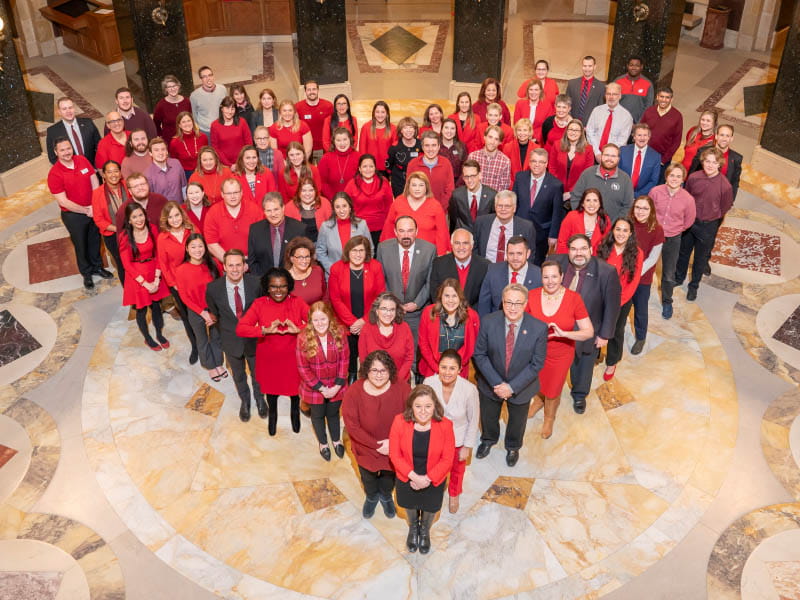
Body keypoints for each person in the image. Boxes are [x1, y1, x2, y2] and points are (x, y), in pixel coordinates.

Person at [473, 283, 547, 466]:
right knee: (488, 415)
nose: (513, 308)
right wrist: (497, 383)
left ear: (525, 304)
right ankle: (488, 439)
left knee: (517, 420)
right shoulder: (488, 322)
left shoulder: (538, 328)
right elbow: (480, 354)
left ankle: (513, 446)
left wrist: (512, 387)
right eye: (508, 302)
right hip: (491, 383)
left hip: (521, 387)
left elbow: (536, 364)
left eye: (518, 303)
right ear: (502, 302)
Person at [551, 234, 621, 414]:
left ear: (591, 250)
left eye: (583, 248)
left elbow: (612, 306)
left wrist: (604, 334)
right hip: (556, 328)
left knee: (583, 366)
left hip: (587, 330)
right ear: (568, 251)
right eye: (574, 249)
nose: (578, 253)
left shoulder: (606, 272)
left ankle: (579, 395)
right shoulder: (554, 263)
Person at [236, 267, 309, 435]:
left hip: (293, 359)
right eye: (274, 286)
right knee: (272, 395)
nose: (278, 290)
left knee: (294, 394)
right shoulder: (259, 304)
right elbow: (241, 329)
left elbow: (317, 323)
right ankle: (273, 418)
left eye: (283, 286)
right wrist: (264, 330)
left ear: (289, 286)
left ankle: (295, 416)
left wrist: (299, 328)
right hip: (269, 360)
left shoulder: (297, 302)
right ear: (267, 288)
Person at [525, 260, 593, 438]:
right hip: (536, 353)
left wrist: (565, 334)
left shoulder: (573, 298)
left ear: (562, 276)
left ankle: (549, 417)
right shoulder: (531, 295)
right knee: (537, 381)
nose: (550, 281)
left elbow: (588, 332)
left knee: (553, 389)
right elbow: (523, 323)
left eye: (554, 276)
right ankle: (539, 400)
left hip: (560, 354)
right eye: (546, 277)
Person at [341, 350, 409, 519]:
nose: (379, 375)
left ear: (390, 370)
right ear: (367, 370)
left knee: (388, 477)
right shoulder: (354, 392)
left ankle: (385, 496)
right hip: (365, 448)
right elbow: (352, 426)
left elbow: (410, 418)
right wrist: (377, 445)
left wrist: (393, 443)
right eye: (374, 370)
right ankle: (371, 497)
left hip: (393, 447)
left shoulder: (402, 388)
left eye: (383, 370)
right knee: (368, 478)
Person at [389, 384, 455, 553]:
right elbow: (395, 455)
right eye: (418, 406)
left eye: (428, 406)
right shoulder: (399, 421)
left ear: (435, 406)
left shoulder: (446, 425)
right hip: (407, 477)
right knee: (409, 505)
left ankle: (424, 530)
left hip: (433, 479)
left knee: (430, 507)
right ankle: (413, 528)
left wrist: (427, 479)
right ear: (411, 406)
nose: (423, 411)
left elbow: (447, 459)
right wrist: (414, 477)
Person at [206, 249, 264, 422]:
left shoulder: (256, 283)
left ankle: (260, 399)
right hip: (231, 340)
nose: (235, 269)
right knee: (238, 375)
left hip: (254, 339)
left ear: (244, 266)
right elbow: (215, 314)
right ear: (224, 267)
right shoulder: (213, 288)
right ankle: (245, 401)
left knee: (258, 374)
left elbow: (262, 308)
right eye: (230, 265)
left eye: (238, 265)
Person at [48, 138, 109, 290]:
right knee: (81, 244)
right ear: (56, 152)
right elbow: (63, 201)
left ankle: (97, 267)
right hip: (73, 216)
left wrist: (94, 204)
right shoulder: (54, 174)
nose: (66, 152)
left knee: (95, 239)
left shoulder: (82, 160)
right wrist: (86, 210)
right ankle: (86, 273)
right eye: (62, 150)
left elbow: (94, 181)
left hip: (92, 208)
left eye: (68, 148)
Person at [423, 351, 479, 513]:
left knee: (457, 470)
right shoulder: (429, 383)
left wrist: (467, 446)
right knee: (433, 466)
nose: (447, 372)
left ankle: (454, 494)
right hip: (434, 437)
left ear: (460, 369)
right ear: (438, 367)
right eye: (444, 367)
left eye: (452, 368)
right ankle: (435, 489)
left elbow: (473, 419)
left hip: (458, 439)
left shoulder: (469, 390)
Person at [675, 147, 734, 302]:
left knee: (700, 259)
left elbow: (725, 207)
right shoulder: (694, 177)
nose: (710, 165)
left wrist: (711, 215)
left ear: (719, 164)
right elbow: (687, 197)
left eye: (714, 162)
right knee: (683, 253)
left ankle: (693, 286)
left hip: (708, 226)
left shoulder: (725, 186)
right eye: (707, 161)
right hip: (690, 222)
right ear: (702, 162)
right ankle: (679, 278)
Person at [296, 301, 349, 460]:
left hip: (336, 385)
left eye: (323, 319)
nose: (320, 323)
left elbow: (345, 360)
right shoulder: (303, 338)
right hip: (315, 388)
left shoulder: (340, 332)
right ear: (310, 320)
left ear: (329, 318)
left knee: (333, 414)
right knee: (318, 416)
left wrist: (337, 386)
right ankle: (323, 443)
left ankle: (336, 440)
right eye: (316, 320)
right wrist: (321, 388)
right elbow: (303, 368)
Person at [328, 235, 385, 381]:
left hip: (370, 321)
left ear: (367, 252)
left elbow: (379, 297)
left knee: (370, 356)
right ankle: (351, 377)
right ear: (348, 251)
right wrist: (353, 322)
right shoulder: (337, 268)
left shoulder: (375, 267)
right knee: (349, 356)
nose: (358, 254)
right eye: (354, 250)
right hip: (345, 324)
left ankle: (369, 379)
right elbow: (335, 299)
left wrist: (364, 321)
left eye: (361, 250)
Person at [376, 216, 436, 353]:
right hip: (390, 311)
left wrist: (417, 303)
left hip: (417, 312)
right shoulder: (383, 248)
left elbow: (430, 281)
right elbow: (380, 279)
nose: (406, 235)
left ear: (417, 231)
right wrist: (392, 302)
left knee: (413, 352)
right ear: (395, 232)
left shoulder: (429, 250)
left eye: (410, 231)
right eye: (401, 231)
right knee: (390, 351)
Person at [174, 233, 227, 380]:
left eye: (200, 246)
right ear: (187, 248)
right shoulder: (181, 270)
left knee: (216, 337)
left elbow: (220, 287)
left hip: (214, 308)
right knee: (202, 339)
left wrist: (215, 311)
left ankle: (218, 363)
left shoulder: (214, 263)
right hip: (195, 311)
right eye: (193, 247)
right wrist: (202, 313)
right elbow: (184, 296)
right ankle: (210, 366)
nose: (197, 250)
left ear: (205, 247)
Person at [118, 203, 171, 349]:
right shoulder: (125, 236)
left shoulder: (152, 229)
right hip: (136, 276)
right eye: (134, 217)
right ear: (129, 220)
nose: (139, 219)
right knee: (141, 310)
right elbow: (127, 264)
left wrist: (156, 279)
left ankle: (159, 333)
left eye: (141, 215)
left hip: (153, 271)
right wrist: (145, 283)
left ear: (145, 215)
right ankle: (147, 338)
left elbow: (159, 254)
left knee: (157, 306)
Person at [596, 218, 643, 381]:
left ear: (630, 233)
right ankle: (595, 354)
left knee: (616, 331)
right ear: (613, 230)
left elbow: (634, 281)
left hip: (621, 300)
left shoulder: (637, 253)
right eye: (618, 229)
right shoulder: (603, 246)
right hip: (600, 296)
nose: (621, 233)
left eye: (625, 230)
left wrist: (617, 303)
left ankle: (612, 362)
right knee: (597, 326)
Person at [650, 163, 695, 319]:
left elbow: (689, 221)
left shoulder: (688, 199)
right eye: (672, 175)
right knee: (645, 267)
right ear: (666, 176)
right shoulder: (655, 192)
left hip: (673, 238)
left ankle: (667, 301)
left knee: (669, 273)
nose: (674, 179)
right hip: (653, 234)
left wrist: (675, 229)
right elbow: (648, 211)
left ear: (683, 179)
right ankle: (638, 295)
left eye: (678, 176)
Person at [156, 201, 198, 362]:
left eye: (177, 215)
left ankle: (208, 342)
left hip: (198, 280)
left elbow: (203, 251)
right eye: (170, 217)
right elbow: (163, 264)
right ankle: (195, 346)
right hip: (178, 285)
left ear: (182, 215)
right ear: (166, 220)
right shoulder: (163, 238)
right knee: (187, 316)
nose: (174, 219)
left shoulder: (192, 230)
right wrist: (173, 285)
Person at [418, 278, 480, 378]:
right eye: (446, 296)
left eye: (454, 296)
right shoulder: (429, 312)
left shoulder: (472, 316)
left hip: (459, 370)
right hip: (432, 369)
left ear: (460, 297)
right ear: (440, 297)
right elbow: (423, 344)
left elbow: (471, 347)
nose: (450, 300)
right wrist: (439, 369)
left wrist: (454, 368)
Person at [513, 148, 564, 265]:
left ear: (546, 164)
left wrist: (553, 235)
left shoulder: (555, 185)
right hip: (519, 228)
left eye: (541, 162)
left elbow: (557, 213)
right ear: (529, 162)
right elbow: (514, 202)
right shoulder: (520, 177)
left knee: (535, 264)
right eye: (534, 161)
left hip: (541, 233)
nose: (537, 165)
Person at [380, 172, 450, 255]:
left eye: (421, 185)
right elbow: (388, 228)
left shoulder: (435, 205)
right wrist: (387, 251)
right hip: (402, 251)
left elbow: (442, 233)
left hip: (428, 253)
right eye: (414, 185)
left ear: (426, 187)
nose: (417, 189)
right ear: (408, 186)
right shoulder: (398, 202)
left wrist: (441, 255)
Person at [628, 196, 664, 353]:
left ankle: (641, 338)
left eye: (645, 208)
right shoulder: (627, 224)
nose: (640, 211)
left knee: (640, 310)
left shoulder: (657, 230)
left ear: (651, 211)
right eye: (637, 207)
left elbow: (653, 258)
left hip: (643, 278)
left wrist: (636, 273)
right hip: (625, 275)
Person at [478, 235, 543, 316]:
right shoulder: (493, 271)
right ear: (506, 254)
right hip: (497, 322)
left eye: (519, 254)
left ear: (528, 253)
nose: (515, 258)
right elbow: (484, 306)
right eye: (511, 254)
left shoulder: (539, 275)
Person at [246, 191, 308, 275]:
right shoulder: (255, 229)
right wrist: (262, 280)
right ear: (264, 212)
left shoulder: (299, 229)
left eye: (276, 209)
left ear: (283, 208)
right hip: (263, 280)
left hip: (291, 279)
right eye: (269, 211)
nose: (273, 214)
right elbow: (252, 261)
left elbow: (302, 260)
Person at [358, 292, 415, 383]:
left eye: (392, 310)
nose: (388, 313)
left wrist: (396, 381)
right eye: (384, 309)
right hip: (374, 382)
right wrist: (378, 381)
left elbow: (409, 358)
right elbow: (364, 360)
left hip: (400, 381)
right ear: (377, 311)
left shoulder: (404, 327)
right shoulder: (366, 329)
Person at [204, 177, 262, 265]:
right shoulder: (213, 213)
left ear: (241, 192)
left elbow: (261, 239)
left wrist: (249, 262)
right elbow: (212, 243)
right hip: (225, 263)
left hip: (251, 262)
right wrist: (231, 264)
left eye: (236, 192)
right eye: (228, 193)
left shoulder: (254, 210)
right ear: (222, 194)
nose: (233, 196)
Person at [570, 143, 634, 221]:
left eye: (613, 156)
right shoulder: (587, 174)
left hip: (613, 226)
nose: (609, 159)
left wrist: (614, 224)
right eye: (606, 155)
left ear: (618, 159)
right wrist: (583, 219)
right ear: (601, 156)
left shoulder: (625, 179)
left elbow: (628, 206)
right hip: (586, 224)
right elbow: (575, 198)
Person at [429, 228, 490, 308]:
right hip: (445, 311)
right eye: (457, 243)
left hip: (474, 312)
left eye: (465, 243)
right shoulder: (439, 264)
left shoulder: (485, 266)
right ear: (452, 245)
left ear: (472, 246)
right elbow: (435, 295)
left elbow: (485, 299)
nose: (461, 247)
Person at [343, 154, 393, 248]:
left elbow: (389, 206)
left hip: (380, 228)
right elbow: (345, 206)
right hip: (358, 228)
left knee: (378, 254)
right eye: (365, 166)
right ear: (359, 169)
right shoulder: (352, 184)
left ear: (375, 168)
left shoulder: (383, 182)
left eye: (371, 166)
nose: (368, 169)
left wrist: (388, 226)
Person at [316, 192, 372, 275]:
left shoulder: (362, 225)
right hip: (335, 274)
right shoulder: (326, 227)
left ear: (350, 207)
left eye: (344, 206)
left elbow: (370, 249)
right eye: (337, 207)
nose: (341, 210)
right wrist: (332, 269)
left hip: (358, 273)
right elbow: (320, 251)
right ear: (334, 209)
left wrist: (361, 267)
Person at [91, 160, 128, 284]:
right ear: (104, 175)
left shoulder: (128, 186)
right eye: (109, 172)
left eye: (116, 171)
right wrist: (118, 229)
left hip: (134, 231)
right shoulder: (97, 193)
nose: (113, 175)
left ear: (120, 173)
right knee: (122, 264)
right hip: (113, 236)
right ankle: (129, 291)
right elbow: (98, 220)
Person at [474, 190, 536, 262]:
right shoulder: (481, 222)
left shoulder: (526, 227)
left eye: (507, 206)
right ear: (495, 207)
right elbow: (474, 249)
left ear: (514, 208)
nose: (503, 209)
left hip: (513, 267)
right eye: (500, 206)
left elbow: (530, 255)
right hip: (486, 267)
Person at [688, 124, 743, 200]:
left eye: (727, 136)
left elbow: (734, 183)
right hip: (697, 196)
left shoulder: (736, 158)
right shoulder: (702, 151)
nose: (724, 139)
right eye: (722, 135)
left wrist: (730, 201)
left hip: (718, 200)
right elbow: (692, 173)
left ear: (731, 139)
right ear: (716, 136)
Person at [407, 131, 455, 214]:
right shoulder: (413, 164)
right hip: (418, 211)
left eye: (434, 145)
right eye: (427, 145)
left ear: (439, 146)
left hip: (441, 211)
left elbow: (450, 190)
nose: (430, 149)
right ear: (422, 147)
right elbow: (409, 189)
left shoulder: (446, 163)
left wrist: (440, 208)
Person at [548, 119, 595, 203]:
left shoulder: (588, 149)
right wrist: (558, 189)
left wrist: (572, 193)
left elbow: (587, 175)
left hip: (578, 193)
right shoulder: (557, 145)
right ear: (566, 131)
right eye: (571, 129)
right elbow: (552, 168)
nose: (573, 132)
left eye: (576, 130)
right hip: (557, 189)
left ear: (581, 133)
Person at [585, 83, 634, 161]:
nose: (611, 97)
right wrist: (597, 153)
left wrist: (607, 155)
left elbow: (622, 140)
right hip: (593, 154)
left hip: (612, 158)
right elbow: (589, 131)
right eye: (608, 94)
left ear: (620, 96)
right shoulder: (596, 111)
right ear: (605, 96)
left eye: (614, 94)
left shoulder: (626, 116)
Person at [641, 87, 683, 176]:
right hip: (645, 154)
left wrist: (663, 160)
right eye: (661, 96)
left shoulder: (677, 116)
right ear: (657, 97)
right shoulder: (649, 111)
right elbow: (640, 131)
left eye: (667, 97)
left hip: (662, 159)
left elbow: (676, 141)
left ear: (672, 99)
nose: (664, 100)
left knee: (658, 181)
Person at [46, 97, 101, 166]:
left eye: (70, 107)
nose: (68, 111)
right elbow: (53, 157)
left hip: (92, 166)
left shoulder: (88, 123)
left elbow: (99, 146)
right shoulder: (52, 131)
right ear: (59, 112)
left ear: (74, 109)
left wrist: (98, 165)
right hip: (71, 170)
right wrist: (68, 169)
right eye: (64, 109)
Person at [557, 188, 611, 254]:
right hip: (572, 257)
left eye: (595, 200)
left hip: (595, 258)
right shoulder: (572, 216)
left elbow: (606, 245)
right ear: (582, 203)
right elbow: (562, 242)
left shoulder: (605, 219)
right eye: (588, 200)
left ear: (600, 204)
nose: (592, 204)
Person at [449, 159, 497, 233]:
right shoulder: (456, 195)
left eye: (473, 176)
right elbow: (454, 220)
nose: (469, 180)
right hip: (464, 237)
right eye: (466, 177)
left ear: (480, 175)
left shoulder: (492, 195)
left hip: (484, 235)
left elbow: (493, 221)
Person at [283, 178, 332, 243]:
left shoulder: (325, 203)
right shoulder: (289, 207)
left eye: (311, 190)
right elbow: (286, 232)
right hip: (298, 245)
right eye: (304, 190)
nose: (307, 194)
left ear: (315, 191)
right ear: (298, 192)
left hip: (321, 244)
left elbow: (331, 228)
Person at [295, 81, 334, 161]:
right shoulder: (298, 107)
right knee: (307, 169)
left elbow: (333, 127)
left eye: (314, 89)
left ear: (318, 90)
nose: (311, 92)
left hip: (324, 147)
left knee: (323, 169)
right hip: (305, 147)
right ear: (305, 91)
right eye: (309, 90)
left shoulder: (328, 106)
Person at [619, 123, 661, 197]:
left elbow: (653, 181)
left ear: (649, 137)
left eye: (645, 135)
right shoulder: (623, 151)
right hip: (621, 192)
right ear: (634, 136)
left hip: (641, 196)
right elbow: (617, 172)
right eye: (639, 135)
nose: (642, 138)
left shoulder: (655, 157)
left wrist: (637, 195)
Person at [386, 116, 423, 197]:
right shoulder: (394, 147)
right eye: (405, 128)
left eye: (411, 127)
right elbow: (388, 165)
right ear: (401, 130)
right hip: (399, 182)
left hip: (418, 181)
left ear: (415, 130)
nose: (408, 130)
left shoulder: (421, 145)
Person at [211, 96, 253, 167]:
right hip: (224, 165)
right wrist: (229, 165)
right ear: (222, 108)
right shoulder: (215, 125)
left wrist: (243, 161)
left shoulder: (242, 122)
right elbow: (215, 148)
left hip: (243, 162)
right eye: (227, 108)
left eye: (232, 109)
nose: (230, 112)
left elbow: (249, 143)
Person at [318, 128, 358, 200]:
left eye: (345, 139)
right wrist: (334, 199)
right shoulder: (326, 158)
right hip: (331, 200)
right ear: (333, 142)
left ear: (350, 140)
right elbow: (322, 182)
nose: (342, 143)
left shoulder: (358, 157)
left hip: (354, 200)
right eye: (338, 140)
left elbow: (361, 182)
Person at [468, 126, 512, 192]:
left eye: (496, 139)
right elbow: (468, 180)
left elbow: (503, 189)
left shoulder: (505, 162)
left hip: (494, 197)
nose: (492, 142)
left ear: (500, 142)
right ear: (484, 137)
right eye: (490, 137)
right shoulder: (473, 157)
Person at [358, 101, 396, 177]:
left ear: (387, 114)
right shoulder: (366, 127)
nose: (380, 115)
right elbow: (362, 150)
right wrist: (364, 166)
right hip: (369, 168)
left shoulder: (393, 128)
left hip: (386, 168)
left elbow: (394, 151)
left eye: (383, 112)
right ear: (373, 113)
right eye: (377, 112)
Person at [284, 236, 326, 305]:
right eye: (300, 257)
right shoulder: (285, 279)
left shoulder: (317, 271)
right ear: (291, 259)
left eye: (307, 256)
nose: (304, 261)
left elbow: (325, 295)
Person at [566, 55, 606, 123]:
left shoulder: (601, 87)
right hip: (572, 123)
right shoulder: (572, 84)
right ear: (582, 66)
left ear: (594, 67)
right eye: (585, 66)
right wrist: (570, 120)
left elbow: (600, 109)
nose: (587, 69)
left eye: (590, 66)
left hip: (590, 125)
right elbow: (567, 104)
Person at [613, 56, 654, 123]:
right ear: (627, 66)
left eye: (637, 65)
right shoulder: (618, 81)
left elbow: (648, 107)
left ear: (641, 67)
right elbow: (611, 101)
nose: (634, 68)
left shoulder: (648, 84)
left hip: (637, 124)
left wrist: (638, 123)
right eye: (631, 65)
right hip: (617, 122)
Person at [145, 137, 186, 202]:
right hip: (162, 207)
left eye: (163, 149)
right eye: (156, 150)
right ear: (150, 153)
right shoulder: (148, 174)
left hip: (180, 206)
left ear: (167, 152)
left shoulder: (176, 163)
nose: (160, 153)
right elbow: (151, 198)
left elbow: (184, 187)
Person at [190, 66, 227, 138]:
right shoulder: (194, 96)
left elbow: (227, 107)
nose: (208, 78)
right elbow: (194, 116)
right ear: (201, 79)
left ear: (213, 76)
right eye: (204, 77)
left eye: (210, 75)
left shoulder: (222, 89)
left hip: (222, 127)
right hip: (206, 131)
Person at [513, 79, 554, 144]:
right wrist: (525, 137)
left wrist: (535, 139)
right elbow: (517, 123)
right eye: (531, 89)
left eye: (536, 90)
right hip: (521, 138)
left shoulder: (547, 106)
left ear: (540, 91)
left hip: (538, 141)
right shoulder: (520, 103)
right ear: (527, 91)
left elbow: (547, 126)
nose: (533, 92)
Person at [152, 75, 192, 142]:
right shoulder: (161, 105)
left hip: (187, 138)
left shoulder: (186, 101)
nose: (172, 89)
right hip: (169, 141)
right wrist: (161, 137)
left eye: (174, 86)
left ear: (178, 86)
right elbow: (156, 124)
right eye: (169, 87)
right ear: (166, 89)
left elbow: (191, 119)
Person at [170, 112, 209, 180]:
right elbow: (174, 163)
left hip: (202, 171)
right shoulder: (174, 142)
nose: (187, 124)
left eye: (189, 121)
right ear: (179, 125)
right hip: (185, 174)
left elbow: (207, 156)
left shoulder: (203, 137)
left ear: (193, 122)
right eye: (183, 122)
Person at [439, 118, 467, 186]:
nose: (449, 131)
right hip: (439, 183)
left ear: (455, 131)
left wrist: (457, 186)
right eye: (446, 128)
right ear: (441, 130)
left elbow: (465, 168)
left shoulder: (461, 147)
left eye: (452, 128)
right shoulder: (435, 146)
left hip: (458, 185)